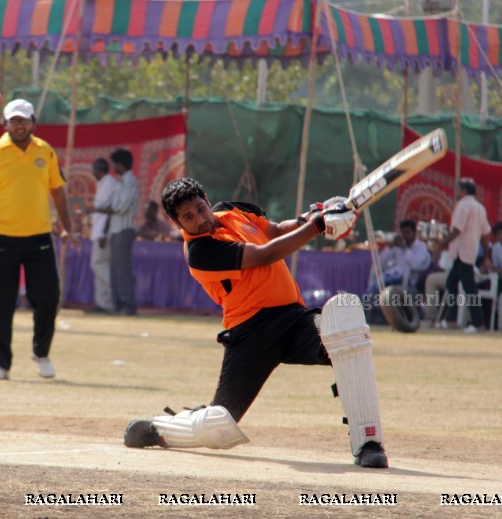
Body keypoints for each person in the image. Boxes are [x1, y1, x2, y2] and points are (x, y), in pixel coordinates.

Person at [123, 178, 388, 469]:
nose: (200, 219)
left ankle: (369, 443)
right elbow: (266, 254)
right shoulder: (200, 252)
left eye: (201, 209)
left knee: (345, 332)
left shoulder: (231, 210)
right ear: (176, 223)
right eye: (189, 217)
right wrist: (318, 226)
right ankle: (160, 429)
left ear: (207, 200)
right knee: (220, 422)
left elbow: (274, 231)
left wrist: (315, 215)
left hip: (294, 318)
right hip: (250, 333)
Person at [0, 99, 80, 381]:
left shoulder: (45, 151)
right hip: (2, 235)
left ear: (33, 123)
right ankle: (0, 364)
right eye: (14, 120)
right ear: (5, 124)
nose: (19, 125)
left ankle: (41, 353)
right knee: (1, 302)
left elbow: (59, 192)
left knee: (48, 296)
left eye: (24, 120)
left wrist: (68, 227)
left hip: (39, 235)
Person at [437, 178, 491, 332]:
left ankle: (478, 322)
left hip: (462, 252)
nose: (456, 192)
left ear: (464, 191)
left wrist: (441, 244)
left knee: (469, 287)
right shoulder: (480, 208)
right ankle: (452, 319)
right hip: (469, 252)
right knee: (451, 282)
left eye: (458, 189)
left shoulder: (463, 206)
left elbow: (457, 230)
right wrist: (486, 256)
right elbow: (486, 234)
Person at [94, 148, 139, 315]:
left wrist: (97, 210)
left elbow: (120, 208)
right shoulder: (120, 182)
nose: (112, 167)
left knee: (122, 270)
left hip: (124, 229)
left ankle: (128, 305)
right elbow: (112, 207)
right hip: (114, 230)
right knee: (114, 270)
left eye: (114, 164)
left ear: (120, 164)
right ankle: (118, 304)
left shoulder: (130, 182)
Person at [87, 158, 115, 313]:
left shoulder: (109, 183)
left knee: (98, 265)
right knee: (100, 267)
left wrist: (104, 232)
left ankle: (114, 292)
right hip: (98, 231)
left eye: (94, 170)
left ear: (98, 170)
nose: (93, 173)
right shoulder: (103, 184)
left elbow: (111, 210)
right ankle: (104, 303)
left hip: (103, 233)